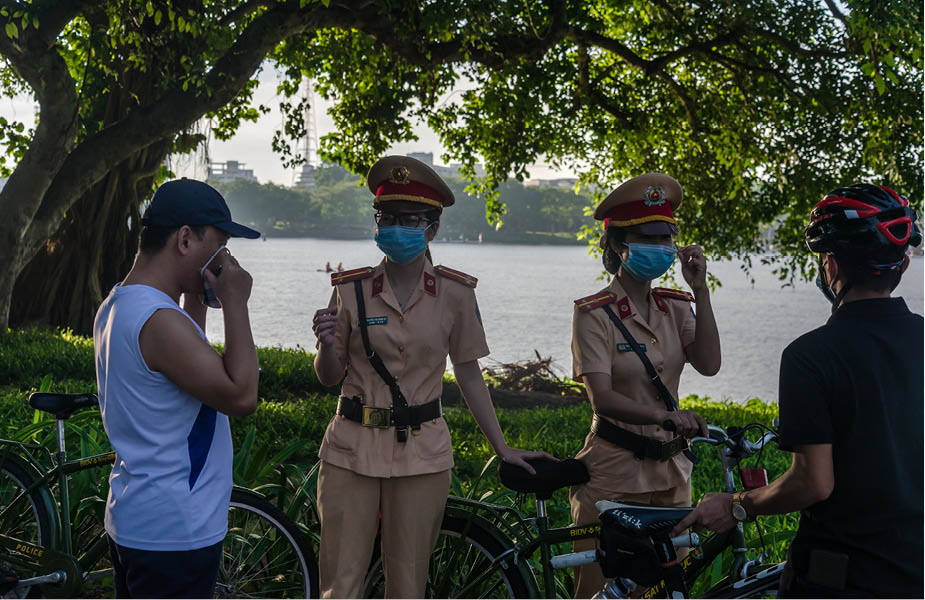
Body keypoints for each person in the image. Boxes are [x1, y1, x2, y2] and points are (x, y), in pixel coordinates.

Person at [311, 155, 554, 599]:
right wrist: (328, 345)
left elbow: (469, 373)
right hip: (350, 448)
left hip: (421, 454)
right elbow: (330, 376)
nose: (398, 228)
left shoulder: (455, 293)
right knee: (340, 587)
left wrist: (501, 448)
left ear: (433, 228)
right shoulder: (350, 288)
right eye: (389, 218)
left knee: (408, 585)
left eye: (411, 219)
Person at [673, 184, 924, 598]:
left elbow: (813, 482)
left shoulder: (810, 356)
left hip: (839, 576)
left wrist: (738, 504)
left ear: (831, 266)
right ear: (900, 265)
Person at [92, 179, 261, 599]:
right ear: (185, 239)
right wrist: (236, 303)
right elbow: (241, 396)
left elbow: (191, 372)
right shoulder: (158, 321)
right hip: (174, 533)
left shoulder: (122, 304)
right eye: (219, 246)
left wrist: (199, 299)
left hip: (141, 519)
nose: (224, 261)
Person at [568, 173, 721, 598]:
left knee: (664, 590)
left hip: (671, 476)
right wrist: (665, 416)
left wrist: (701, 289)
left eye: (666, 237)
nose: (661, 247)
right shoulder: (594, 314)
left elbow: (709, 364)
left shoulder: (675, 307)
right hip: (613, 474)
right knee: (600, 590)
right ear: (619, 245)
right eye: (648, 237)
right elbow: (601, 397)